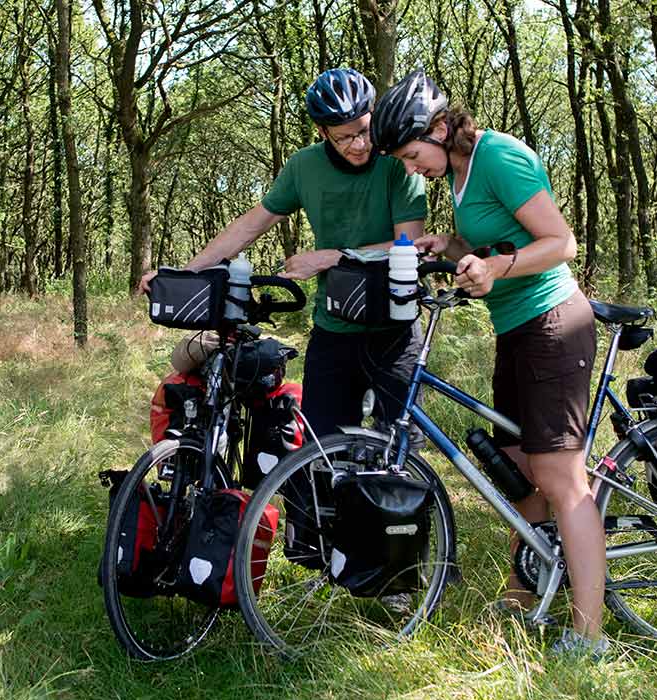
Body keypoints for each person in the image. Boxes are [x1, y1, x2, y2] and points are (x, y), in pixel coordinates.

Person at [371, 70, 606, 658]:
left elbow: (560, 242)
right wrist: (449, 247)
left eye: (411, 153)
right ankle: (523, 595)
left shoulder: (499, 155)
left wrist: (495, 269)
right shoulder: (456, 171)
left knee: (560, 479)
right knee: (519, 472)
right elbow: (491, 241)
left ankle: (589, 637)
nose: (410, 166)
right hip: (515, 328)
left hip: (554, 322)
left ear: (441, 127)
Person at [137, 68, 428, 438]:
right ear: (322, 132)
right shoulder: (304, 166)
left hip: (395, 327)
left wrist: (329, 256)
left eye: (364, 130)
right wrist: (186, 274)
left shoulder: (398, 161)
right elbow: (248, 227)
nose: (359, 144)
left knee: (399, 451)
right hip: (334, 328)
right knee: (321, 452)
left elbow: (410, 244)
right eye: (344, 137)